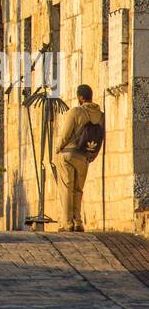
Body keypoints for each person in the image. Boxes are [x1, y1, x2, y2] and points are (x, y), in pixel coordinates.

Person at [54, 84, 104, 232]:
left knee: (66, 188)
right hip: (84, 156)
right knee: (78, 190)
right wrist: (93, 155)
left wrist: (57, 149)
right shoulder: (100, 115)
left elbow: (65, 134)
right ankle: (78, 222)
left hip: (68, 154)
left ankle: (67, 223)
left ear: (80, 97)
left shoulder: (76, 111)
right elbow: (100, 137)